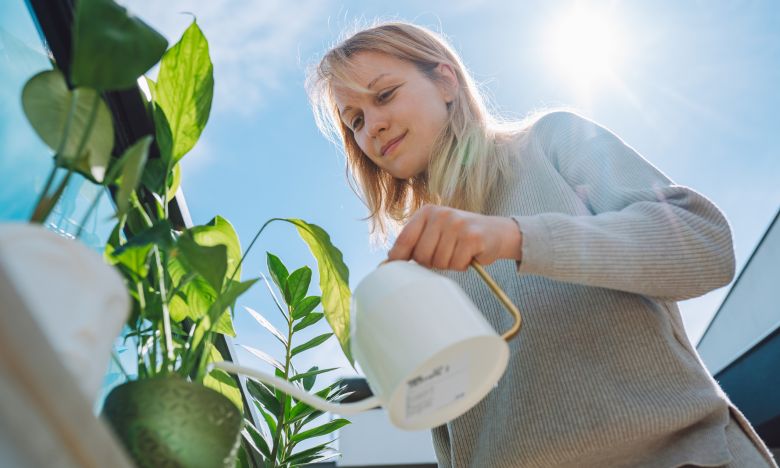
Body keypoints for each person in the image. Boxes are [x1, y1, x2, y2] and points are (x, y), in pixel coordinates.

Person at [306, 21, 777, 468]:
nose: (372, 129)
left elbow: (706, 245)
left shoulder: (553, 142)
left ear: (446, 82)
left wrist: (516, 237)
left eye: (385, 94)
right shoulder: (420, 264)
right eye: (355, 122)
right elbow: (451, 428)